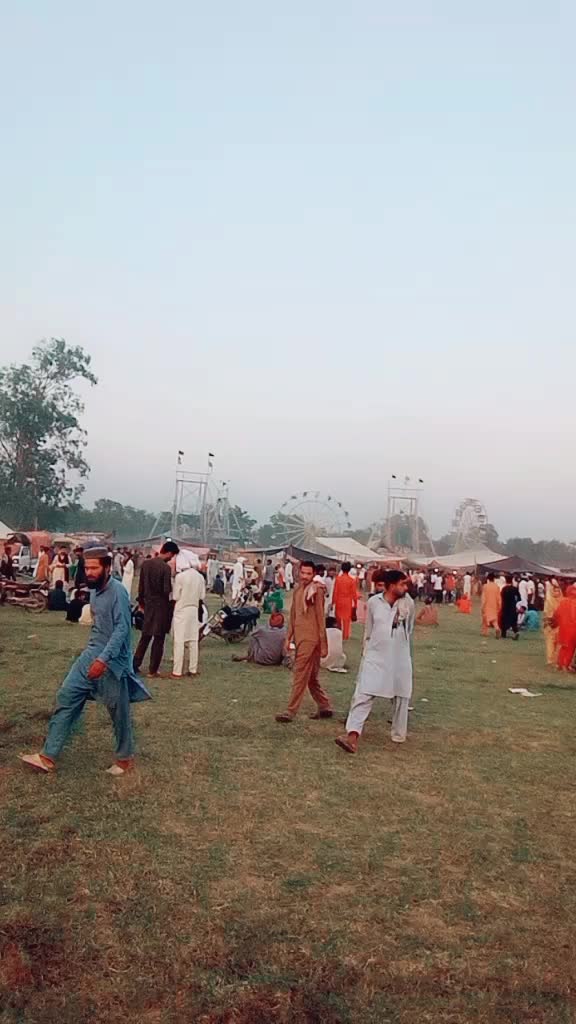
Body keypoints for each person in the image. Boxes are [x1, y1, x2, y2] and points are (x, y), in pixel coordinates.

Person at [19, 548, 151, 776]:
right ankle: (47, 757)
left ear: (107, 567)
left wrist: (103, 660)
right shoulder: (94, 590)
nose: (89, 572)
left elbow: (122, 630)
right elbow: (98, 627)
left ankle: (125, 759)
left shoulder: (118, 591)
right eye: (86, 568)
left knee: (118, 711)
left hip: (112, 662)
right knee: (67, 695)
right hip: (90, 655)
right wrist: (92, 654)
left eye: (94, 568)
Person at [335, 570, 415, 753]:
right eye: (402, 584)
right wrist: (366, 652)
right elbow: (369, 630)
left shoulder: (408, 603)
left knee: (401, 696)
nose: (405, 587)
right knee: (363, 694)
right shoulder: (374, 603)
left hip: (400, 657)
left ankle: (398, 734)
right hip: (376, 656)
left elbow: (409, 630)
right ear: (391, 585)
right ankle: (352, 736)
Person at [275, 561, 333, 722]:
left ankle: (290, 711)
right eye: (303, 573)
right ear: (299, 573)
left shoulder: (316, 590)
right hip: (300, 638)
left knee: (300, 674)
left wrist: (324, 644)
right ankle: (324, 706)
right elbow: (293, 616)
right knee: (311, 677)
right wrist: (288, 637)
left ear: (313, 574)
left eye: (308, 573)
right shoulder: (298, 590)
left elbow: (320, 617)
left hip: (311, 639)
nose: (305, 576)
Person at [133, 541, 178, 678]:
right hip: (161, 606)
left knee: (145, 636)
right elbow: (166, 590)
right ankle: (153, 670)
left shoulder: (146, 564)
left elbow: (141, 586)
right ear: (169, 553)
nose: (171, 558)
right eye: (172, 556)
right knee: (159, 638)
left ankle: (135, 664)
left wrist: (141, 602)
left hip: (148, 604)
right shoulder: (165, 568)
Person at [171, 561, 206, 678]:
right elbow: (202, 596)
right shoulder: (200, 577)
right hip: (194, 609)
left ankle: (177, 671)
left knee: (179, 641)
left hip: (181, 609)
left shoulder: (180, 577)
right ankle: (193, 669)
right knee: (193, 640)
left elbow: (176, 596)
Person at [331, 562, 358, 640]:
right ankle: (345, 635)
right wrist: (355, 603)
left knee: (338, 618)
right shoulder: (352, 580)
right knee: (346, 620)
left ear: (342, 569)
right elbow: (354, 593)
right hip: (347, 602)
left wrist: (333, 602)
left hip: (339, 601)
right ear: (349, 569)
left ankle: (339, 632)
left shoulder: (338, 579)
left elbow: (335, 591)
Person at [552, 584, 576, 671]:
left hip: (564, 629)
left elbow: (556, 615)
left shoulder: (563, 602)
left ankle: (560, 665)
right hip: (574, 629)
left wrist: (555, 624)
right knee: (571, 648)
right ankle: (566, 665)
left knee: (565, 647)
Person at [543, 580, 562, 666]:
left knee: (557, 642)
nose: (556, 593)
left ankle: (555, 659)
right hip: (551, 623)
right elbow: (546, 613)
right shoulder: (549, 601)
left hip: (558, 624)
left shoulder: (562, 601)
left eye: (558, 591)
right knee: (551, 643)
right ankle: (551, 659)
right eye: (555, 591)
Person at [500, 575, 520, 640]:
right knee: (513, 621)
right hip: (512, 607)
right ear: (512, 581)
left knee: (504, 621)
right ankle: (516, 631)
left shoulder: (504, 589)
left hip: (505, 607)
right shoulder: (514, 589)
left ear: (506, 581)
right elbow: (519, 598)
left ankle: (503, 635)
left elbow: (501, 597)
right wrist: (515, 602)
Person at [481, 573, 502, 637]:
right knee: (494, 619)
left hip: (487, 605)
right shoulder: (496, 587)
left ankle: (485, 632)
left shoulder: (485, 586)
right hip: (494, 605)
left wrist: (482, 606)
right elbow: (499, 598)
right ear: (494, 579)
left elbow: (483, 597)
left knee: (485, 619)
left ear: (488, 578)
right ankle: (497, 628)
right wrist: (499, 606)